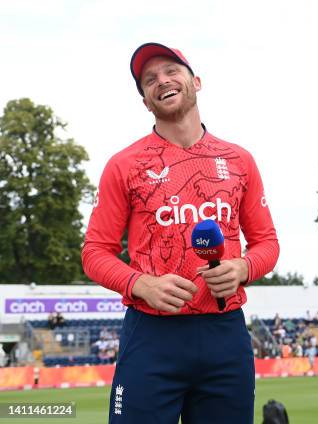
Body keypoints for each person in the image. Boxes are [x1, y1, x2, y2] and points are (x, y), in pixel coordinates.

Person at [82, 42, 279, 423]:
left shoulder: (239, 160)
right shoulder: (124, 164)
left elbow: (268, 244)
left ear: (196, 81)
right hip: (152, 336)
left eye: (171, 71)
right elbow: (95, 252)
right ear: (145, 102)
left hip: (224, 334)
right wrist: (141, 284)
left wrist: (242, 269)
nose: (162, 81)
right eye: (149, 79)